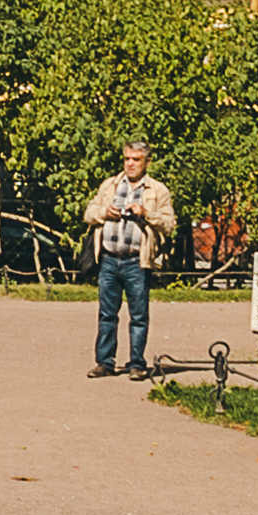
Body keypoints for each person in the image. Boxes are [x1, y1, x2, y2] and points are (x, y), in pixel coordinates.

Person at [85, 142, 175, 377]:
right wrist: (104, 213)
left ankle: (136, 363)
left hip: (137, 261)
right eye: (126, 159)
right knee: (106, 314)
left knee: (138, 315)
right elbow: (89, 213)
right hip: (109, 259)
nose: (130, 164)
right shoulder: (110, 185)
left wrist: (146, 213)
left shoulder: (157, 190)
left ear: (147, 162)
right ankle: (104, 362)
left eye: (135, 159)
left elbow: (169, 225)